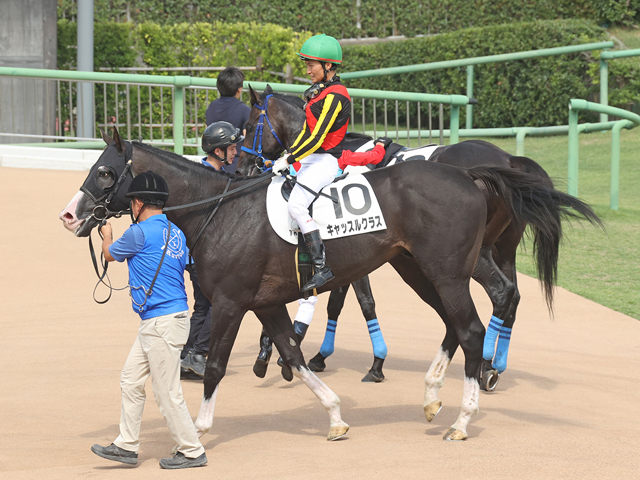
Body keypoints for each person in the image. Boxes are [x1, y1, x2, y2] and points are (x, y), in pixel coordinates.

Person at [91, 171, 207, 470]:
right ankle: (126, 445)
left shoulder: (137, 232)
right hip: (165, 320)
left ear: (138, 203)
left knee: (167, 392)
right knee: (130, 379)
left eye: (132, 202)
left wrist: (106, 235)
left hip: (161, 322)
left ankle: (192, 450)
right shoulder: (176, 232)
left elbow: (110, 255)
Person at [254, 137, 392, 378]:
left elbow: (280, 169)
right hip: (323, 238)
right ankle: (289, 353)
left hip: (287, 236)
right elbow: (373, 158)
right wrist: (380, 145)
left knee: (275, 293)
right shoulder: (341, 158)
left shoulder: (301, 160)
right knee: (308, 300)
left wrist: (270, 163)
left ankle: (265, 348)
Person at [271, 33, 351, 294]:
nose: (307, 71)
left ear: (328, 65)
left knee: (296, 205)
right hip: (311, 158)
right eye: (306, 65)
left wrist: (289, 158)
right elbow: (306, 133)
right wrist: (288, 156)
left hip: (327, 160)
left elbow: (317, 138)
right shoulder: (319, 92)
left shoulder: (336, 95)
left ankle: (322, 266)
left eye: (311, 65)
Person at [181, 122, 245, 378]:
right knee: (217, 306)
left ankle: (185, 355)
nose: (235, 152)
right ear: (218, 151)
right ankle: (198, 353)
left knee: (202, 306)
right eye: (232, 148)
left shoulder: (201, 173)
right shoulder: (210, 180)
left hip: (194, 256)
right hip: (203, 256)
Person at [205, 66, 251, 173]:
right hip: (235, 165)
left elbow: (207, 134)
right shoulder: (244, 110)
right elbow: (249, 140)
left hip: (214, 164)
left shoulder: (212, 107)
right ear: (239, 89)